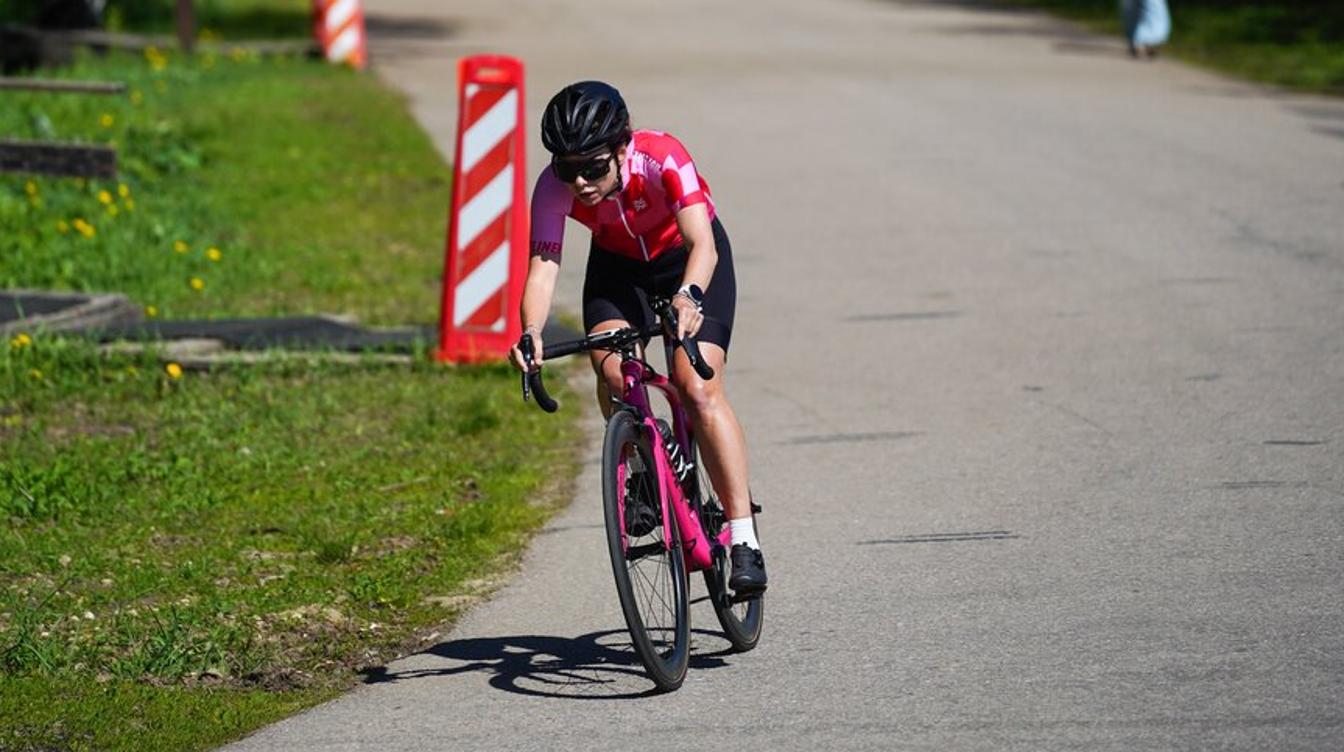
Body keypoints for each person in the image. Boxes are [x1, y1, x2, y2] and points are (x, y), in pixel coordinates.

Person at [507, 81, 766, 596]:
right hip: (619, 270)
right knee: (613, 371)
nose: (580, 183)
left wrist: (689, 295)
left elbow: (702, 243)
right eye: (567, 169)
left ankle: (743, 537)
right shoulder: (553, 187)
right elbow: (543, 267)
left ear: (623, 148)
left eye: (593, 167)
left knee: (696, 387)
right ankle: (648, 462)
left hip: (687, 263)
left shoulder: (662, 156)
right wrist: (531, 330)